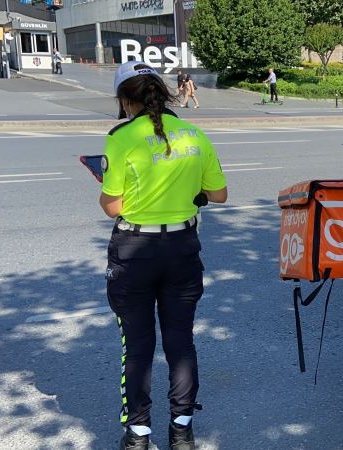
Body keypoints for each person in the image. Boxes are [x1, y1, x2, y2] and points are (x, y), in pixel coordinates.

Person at [100, 60, 227, 450]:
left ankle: (138, 437)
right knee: (180, 343)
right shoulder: (193, 133)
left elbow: (112, 206)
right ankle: (182, 433)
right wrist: (192, 194)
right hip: (182, 250)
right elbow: (219, 194)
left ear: (125, 99)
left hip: (134, 251)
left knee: (137, 347)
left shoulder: (121, 137)